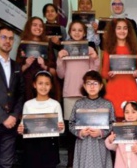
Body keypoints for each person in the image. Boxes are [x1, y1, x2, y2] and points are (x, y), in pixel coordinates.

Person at [56, 20, 99, 168]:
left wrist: (94, 58)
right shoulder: (65, 50)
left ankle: (86, 162)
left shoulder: (89, 49)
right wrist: (60, 59)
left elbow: (95, 73)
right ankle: (70, 163)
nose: (77, 33)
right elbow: (61, 75)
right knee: (71, 131)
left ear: (85, 33)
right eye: (73, 30)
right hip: (69, 95)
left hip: (86, 95)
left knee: (86, 129)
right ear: (69, 32)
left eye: (80, 30)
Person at [17, 71, 64, 168]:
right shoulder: (28, 104)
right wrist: (21, 129)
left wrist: (61, 127)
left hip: (49, 144)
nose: (43, 87)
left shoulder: (55, 104)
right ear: (34, 85)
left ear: (51, 86)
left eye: (47, 84)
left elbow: (61, 129)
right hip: (31, 145)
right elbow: (23, 127)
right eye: (40, 83)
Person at [69, 70, 115, 168]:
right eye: (89, 83)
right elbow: (71, 123)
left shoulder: (107, 104)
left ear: (101, 86)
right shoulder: (79, 104)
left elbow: (113, 124)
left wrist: (101, 132)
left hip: (100, 143)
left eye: (95, 83)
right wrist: (80, 133)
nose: (92, 86)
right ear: (84, 86)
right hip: (83, 143)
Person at [101, 18, 137, 121]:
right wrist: (109, 74)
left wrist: (136, 73)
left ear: (129, 31)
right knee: (115, 121)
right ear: (113, 30)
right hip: (114, 89)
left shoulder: (134, 48)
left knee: (131, 120)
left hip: (130, 88)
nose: (122, 31)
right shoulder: (108, 49)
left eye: (125, 28)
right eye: (118, 28)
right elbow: (104, 73)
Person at [0, 26, 24, 168]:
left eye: (11, 38)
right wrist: (2, 117)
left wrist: (14, 115)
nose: (7, 41)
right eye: (3, 37)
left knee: (6, 165)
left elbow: (20, 94)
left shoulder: (16, 66)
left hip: (10, 126)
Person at [15, 16, 59, 102]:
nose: (38, 28)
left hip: (45, 87)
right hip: (27, 87)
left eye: (40, 26)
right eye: (34, 25)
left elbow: (54, 72)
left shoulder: (48, 44)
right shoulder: (23, 44)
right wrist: (26, 65)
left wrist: (44, 66)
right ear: (29, 27)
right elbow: (17, 71)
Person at [105, 101, 137, 168]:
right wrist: (110, 140)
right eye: (127, 112)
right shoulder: (119, 129)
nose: (130, 115)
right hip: (122, 162)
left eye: (133, 112)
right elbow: (115, 147)